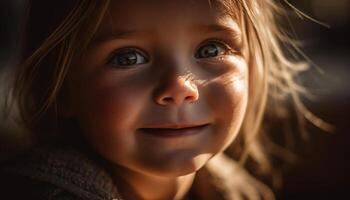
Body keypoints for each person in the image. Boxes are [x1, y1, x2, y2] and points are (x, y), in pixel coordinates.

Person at [0, 0, 330, 199]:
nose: (179, 87)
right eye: (128, 58)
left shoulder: (239, 192)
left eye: (211, 50)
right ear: (57, 86)